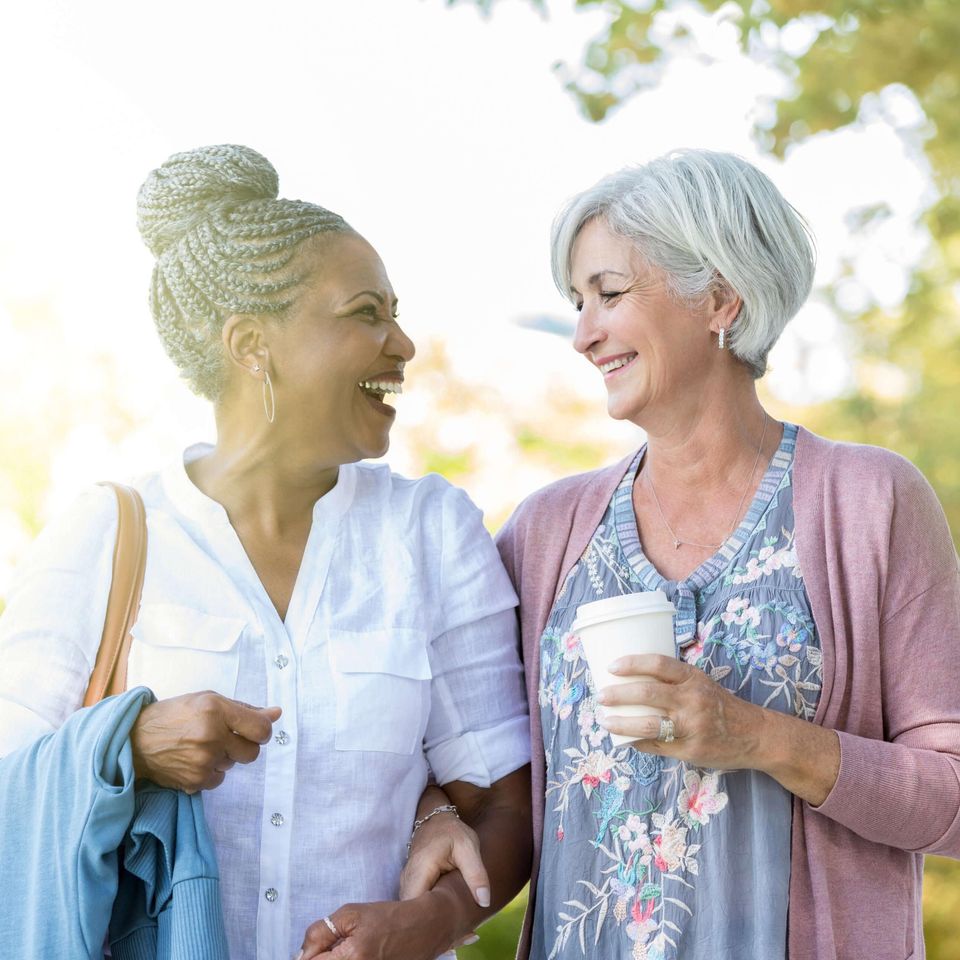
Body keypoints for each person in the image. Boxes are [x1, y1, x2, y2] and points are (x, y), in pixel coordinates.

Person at [0, 144, 532, 960]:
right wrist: (128, 749)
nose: (404, 344)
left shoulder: (429, 532)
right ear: (252, 343)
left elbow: (503, 798)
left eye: (395, 311)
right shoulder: (108, 534)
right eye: (365, 313)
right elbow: (10, 785)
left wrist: (430, 922)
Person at [495, 149, 960, 960]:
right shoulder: (544, 533)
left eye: (608, 293)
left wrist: (757, 737)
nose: (582, 335)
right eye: (576, 302)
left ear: (718, 297)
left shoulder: (869, 501)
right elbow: (469, 761)